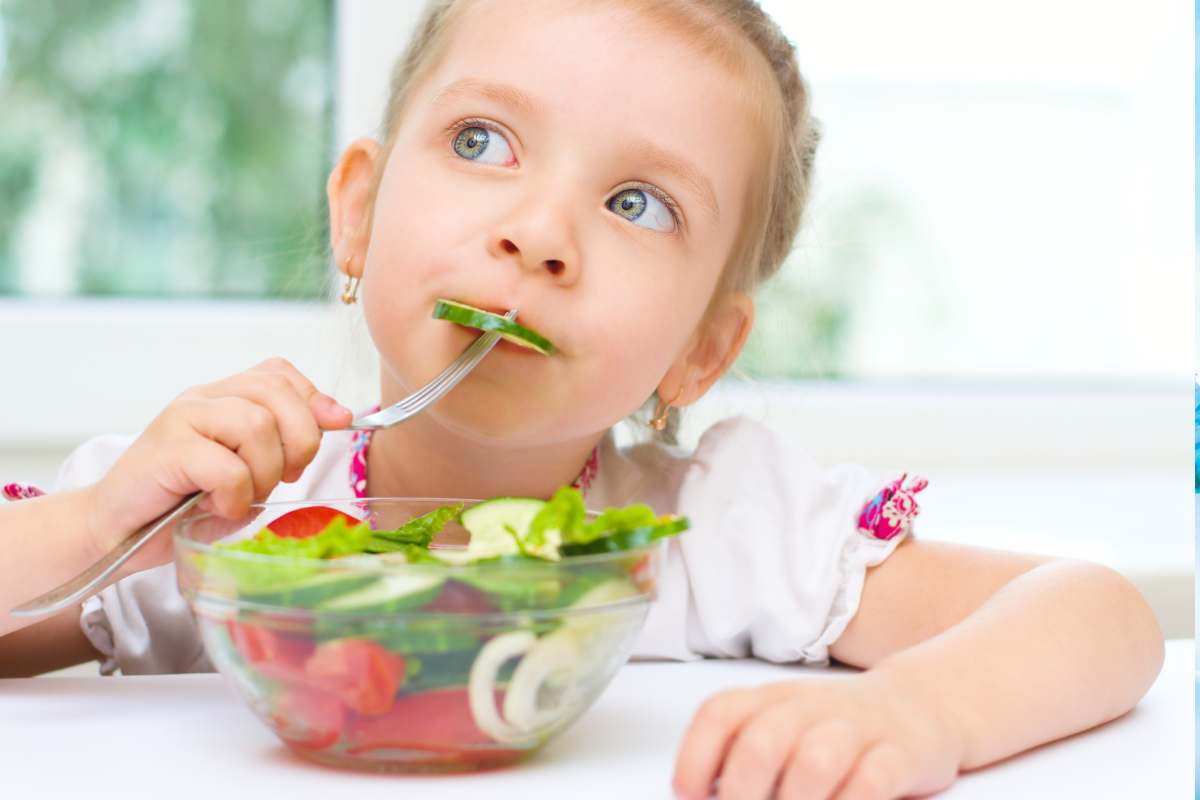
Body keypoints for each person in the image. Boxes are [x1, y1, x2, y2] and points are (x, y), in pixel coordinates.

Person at [0, 1, 1164, 797]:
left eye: (638, 204)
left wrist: (922, 716)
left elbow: (1102, 616)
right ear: (359, 212)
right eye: (481, 139)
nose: (540, 232)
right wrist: (95, 525)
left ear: (700, 352)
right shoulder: (218, 508)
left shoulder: (720, 523)